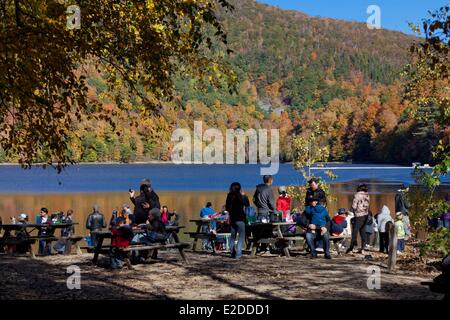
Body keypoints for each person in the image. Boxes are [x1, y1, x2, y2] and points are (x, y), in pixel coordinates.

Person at [226, 182, 250, 259]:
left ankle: (232, 253)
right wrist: (245, 196)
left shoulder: (229, 196)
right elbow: (247, 205)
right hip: (240, 219)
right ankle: (238, 254)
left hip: (232, 219)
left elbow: (227, 208)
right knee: (241, 237)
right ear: (239, 188)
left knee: (232, 237)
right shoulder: (240, 196)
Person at [346, 184, 370, 254]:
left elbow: (354, 206)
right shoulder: (367, 195)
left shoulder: (357, 195)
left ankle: (351, 248)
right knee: (363, 231)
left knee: (355, 232)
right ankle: (363, 248)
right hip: (366, 214)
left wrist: (350, 211)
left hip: (359, 215)